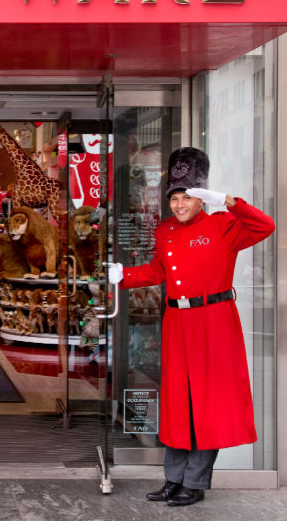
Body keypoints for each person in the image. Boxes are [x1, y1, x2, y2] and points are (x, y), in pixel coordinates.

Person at [108, 147, 274, 507]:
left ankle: (195, 483)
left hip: (214, 322)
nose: (180, 205)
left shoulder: (223, 225)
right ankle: (173, 479)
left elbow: (266, 226)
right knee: (178, 402)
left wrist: (227, 201)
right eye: (175, 199)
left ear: (201, 198)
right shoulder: (165, 230)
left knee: (207, 403)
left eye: (187, 198)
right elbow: (157, 272)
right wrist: (124, 276)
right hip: (177, 322)